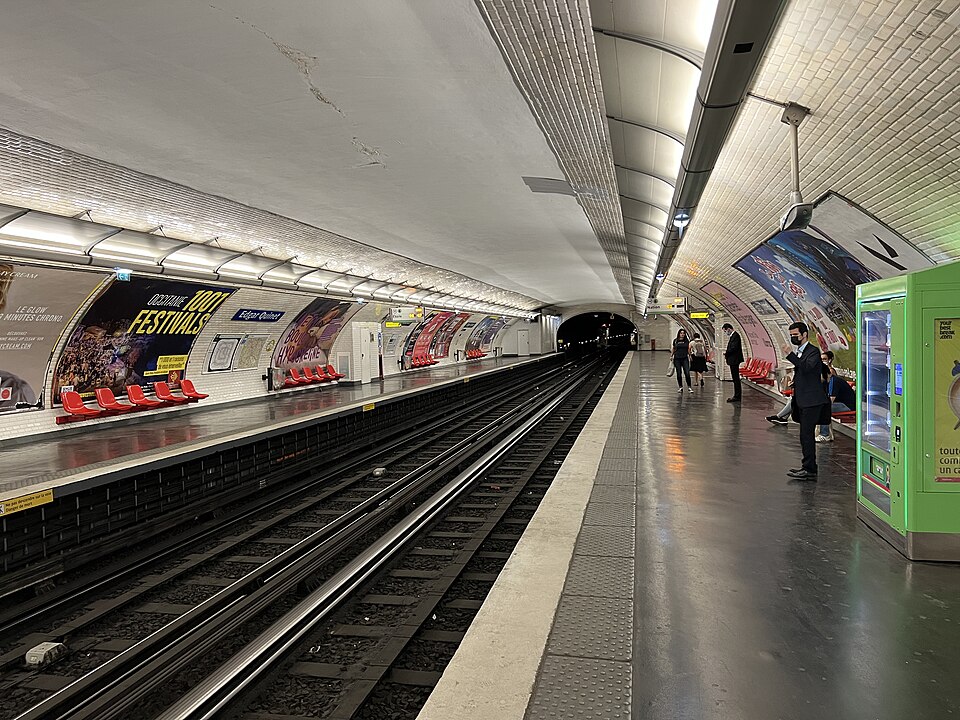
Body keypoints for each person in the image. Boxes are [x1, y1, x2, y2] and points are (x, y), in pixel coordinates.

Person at [783, 321, 831, 481]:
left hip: (812, 400)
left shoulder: (813, 351)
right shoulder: (800, 352)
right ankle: (807, 467)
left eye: (795, 335)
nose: (793, 338)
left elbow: (808, 368)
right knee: (805, 435)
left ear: (804, 334)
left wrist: (790, 355)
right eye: (791, 336)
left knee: (806, 434)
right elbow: (803, 372)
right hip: (803, 399)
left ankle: (810, 469)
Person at [816, 350, 855, 442]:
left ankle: (825, 435)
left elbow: (830, 401)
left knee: (824, 407)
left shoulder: (834, 381)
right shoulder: (827, 381)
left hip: (848, 406)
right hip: (841, 403)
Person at [722, 323, 743, 403]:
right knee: (735, 378)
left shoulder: (735, 336)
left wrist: (726, 353)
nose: (725, 333)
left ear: (729, 329)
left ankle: (737, 396)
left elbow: (733, 348)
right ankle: (736, 395)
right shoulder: (734, 336)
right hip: (733, 360)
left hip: (735, 360)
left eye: (725, 331)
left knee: (736, 378)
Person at [671, 329, 694, 393]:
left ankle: (689, 387)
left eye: (683, 333)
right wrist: (671, 355)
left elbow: (688, 349)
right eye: (681, 333)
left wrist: (690, 356)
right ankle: (680, 387)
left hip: (685, 358)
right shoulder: (675, 341)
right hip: (677, 358)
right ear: (679, 334)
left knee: (687, 373)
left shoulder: (687, 341)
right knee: (679, 373)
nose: (682, 334)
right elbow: (674, 348)